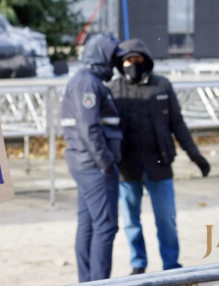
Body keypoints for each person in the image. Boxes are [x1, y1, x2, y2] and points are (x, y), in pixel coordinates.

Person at [108, 38, 211, 274]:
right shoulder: (114, 89)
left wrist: (196, 156)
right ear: (121, 63)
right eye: (127, 61)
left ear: (146, 60)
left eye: (137, 59)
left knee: (166, 220)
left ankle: (172, 267)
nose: (133, 64)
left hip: (159, 164)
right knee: (131, 221)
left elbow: (178, 124)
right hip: (127, 167)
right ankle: (138, 264)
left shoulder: (162, 86)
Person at [61, 33, 127, 282]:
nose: (114, 64)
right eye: (112, 57)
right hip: (94, 167)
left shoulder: (88, 81)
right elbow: (89, 128)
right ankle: (99, 281)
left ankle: (88, 281)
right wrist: (106, 162)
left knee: (89, 224)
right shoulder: (87, 83)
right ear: (101, 56)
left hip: (86, 164)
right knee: (106, 226)